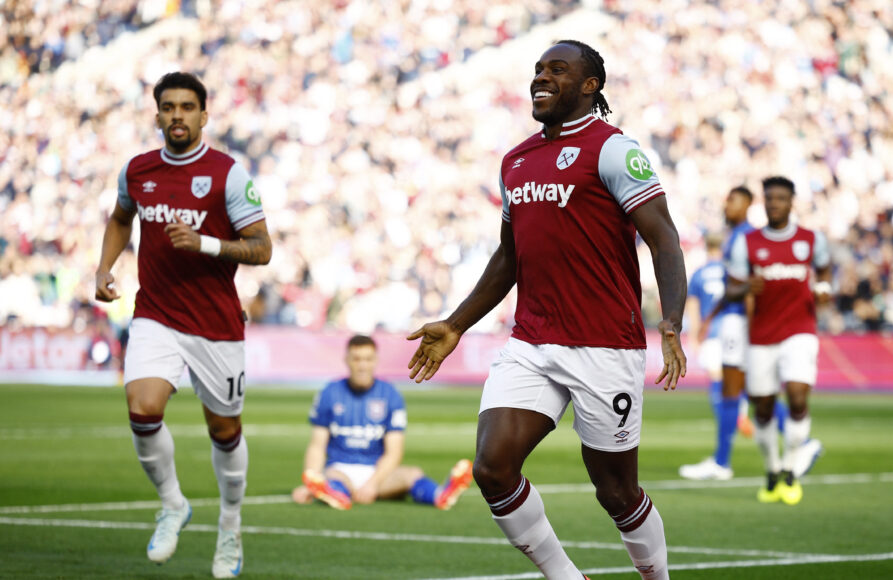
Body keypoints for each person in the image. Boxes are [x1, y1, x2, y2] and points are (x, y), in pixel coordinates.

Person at [407, 40, 687, 580]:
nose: (542, 77)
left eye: (558, 70)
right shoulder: (515, 161)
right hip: (532, 343)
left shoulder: (613, 150)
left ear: (590, 86)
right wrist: (456, 324)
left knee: (616, 491)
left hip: (606, 347)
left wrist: (670, 322)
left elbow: (665, 241)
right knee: (492, 468)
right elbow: (509, 258)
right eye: (538, 69)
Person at [95, 72, 272, 578]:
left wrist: (207, 244)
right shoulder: (138, 171)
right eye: (168, 107)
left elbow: (262, 248)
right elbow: (120, 217)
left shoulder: (227, 174)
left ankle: (230, 525)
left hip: (215, 324)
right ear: (157, 115)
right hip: (155, 313)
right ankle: (173, 504)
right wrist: (105, 267)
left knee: (224, 429)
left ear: (203, 115)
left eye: (187, 107)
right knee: (142, 408)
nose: (177, 115)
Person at [724, 176, 829, 505]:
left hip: (799, 331)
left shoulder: (811, 240)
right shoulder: (749, 242)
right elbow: (731, 288)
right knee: (764, 407)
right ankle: (772, 470)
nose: (774, 204)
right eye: (769, 198)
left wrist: (824, 289)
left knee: (797, 396)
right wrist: (745, 289)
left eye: (781, 198)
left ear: (791, 202)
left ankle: (791, 469)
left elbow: (824, 270)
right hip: (760, 337)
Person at [292, 335, 473, 511]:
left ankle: (440, 495)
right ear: (346, 360)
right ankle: (333, 493)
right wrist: (310, 481)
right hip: (340, 468)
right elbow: (317, 446)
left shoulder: (390, 394)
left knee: (412, 473)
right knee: (331, 477)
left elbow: (394, 451)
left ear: (375, 360)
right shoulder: (329, 392)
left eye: (368, 359)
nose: (362, 366)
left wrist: (371, 485)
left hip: (376, 471)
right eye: (356, 359)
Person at [679, 187, 785, 481]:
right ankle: (723, 456)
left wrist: (700, 329)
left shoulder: (715, 261)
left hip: (734, 326)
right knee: (742, 387)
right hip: (730, 326)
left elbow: (701, 303)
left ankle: (724, 458)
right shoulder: (744, 238)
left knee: (737, 387)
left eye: (732, 201)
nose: (726, 206)